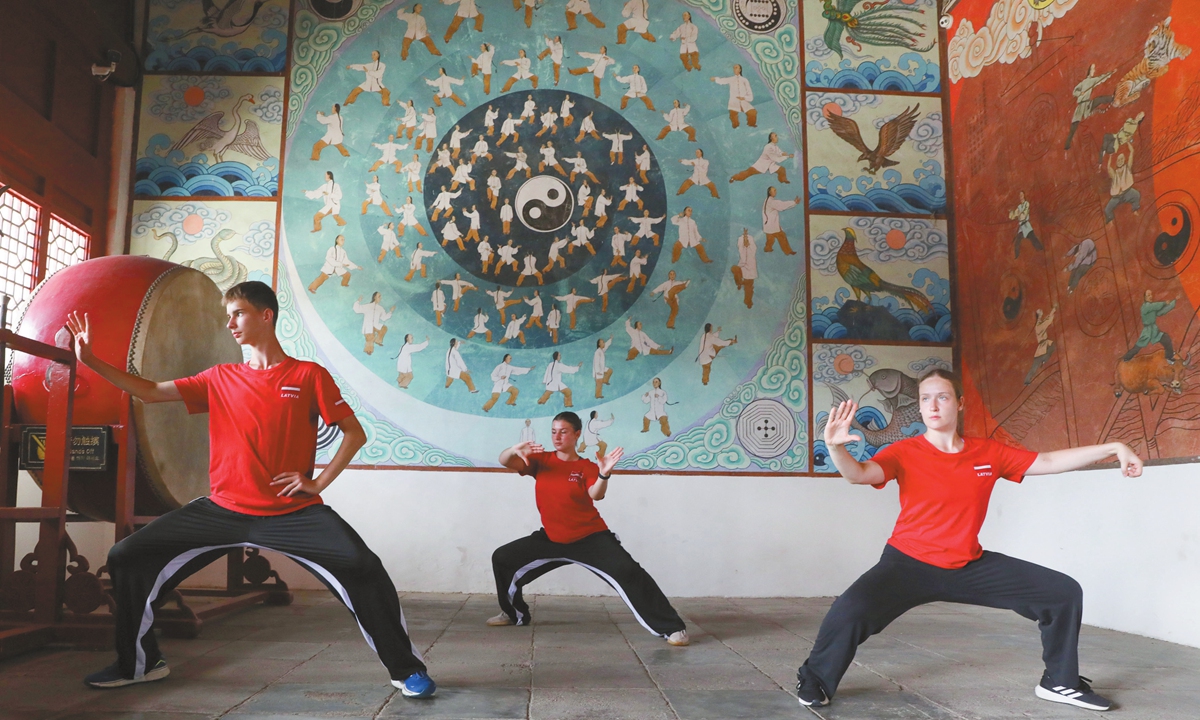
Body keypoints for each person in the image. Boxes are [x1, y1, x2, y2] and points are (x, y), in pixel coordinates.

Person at [68, 282, 437, 698]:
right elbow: (151, 392)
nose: (230, 324)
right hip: (223, 509)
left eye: (238, 313)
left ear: (266, 315)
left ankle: (406, 670)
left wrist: (316, 483)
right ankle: (140, 663)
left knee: (363, 566)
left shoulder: (307, 375)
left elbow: (354, 434)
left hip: (292, 513)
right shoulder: (219, 377)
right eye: (228, 315)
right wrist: (90, 360)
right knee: (127, 556)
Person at [796, 367, 1142, 712]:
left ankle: (1060, 682)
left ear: (959, 404)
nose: (933, 406)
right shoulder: (904, 452)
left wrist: (1114, 447)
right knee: (849, 611)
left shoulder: (987, 453)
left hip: (967, 564)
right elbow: (858, 475)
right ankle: (817, 679)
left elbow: (1048, 460)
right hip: (908, 561)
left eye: (942, 397)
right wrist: (836, 449)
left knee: (1062, 593)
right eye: (925, 399)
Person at [488, 411, 689, 647]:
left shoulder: (586, 467)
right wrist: (513, 449)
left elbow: (597, 494)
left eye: (563, 431)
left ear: (576, 434)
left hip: (590, 538)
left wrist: (604, 474)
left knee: (630, 573)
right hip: (552, 538)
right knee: (502, 557)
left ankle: (673, 628)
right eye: (554, 431)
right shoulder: (542, 461)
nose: (557, 437)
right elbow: (505, 461)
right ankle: (514, 614)